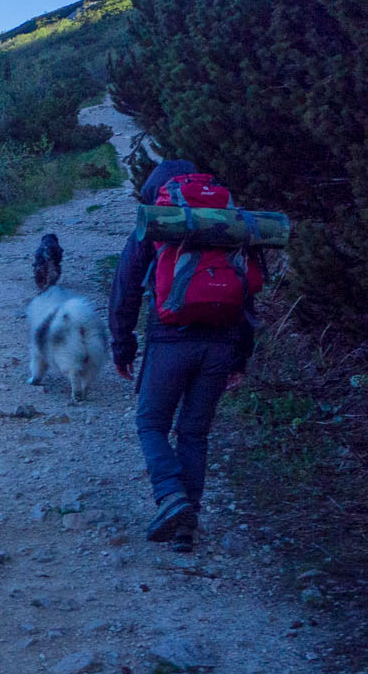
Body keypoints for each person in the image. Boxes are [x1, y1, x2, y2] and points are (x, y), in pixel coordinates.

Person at [109, 159, 259, 553]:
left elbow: (124, 288)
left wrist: (122, 345)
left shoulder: (158, 221)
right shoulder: (228, 222)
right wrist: (241, 357)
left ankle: (171, 497)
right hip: (221, 342)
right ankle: (185, 528)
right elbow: (246, 295)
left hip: (171, 340)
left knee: (150, 423)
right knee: (194, 432)